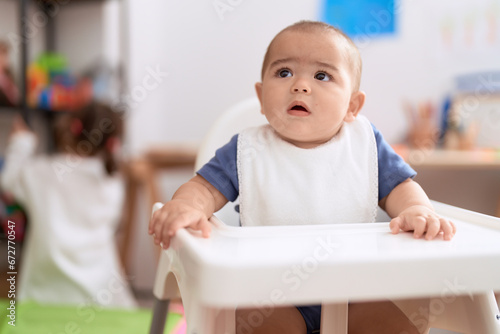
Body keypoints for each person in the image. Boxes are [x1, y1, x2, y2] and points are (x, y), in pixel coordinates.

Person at [149, 20, 456, 333]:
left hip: (357, 290)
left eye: (322, 75)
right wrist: (187, 206)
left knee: (396, 321)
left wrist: (416, 211)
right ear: (261, 95)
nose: (300, 85)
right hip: (270, 293)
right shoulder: (247, 149)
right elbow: (203, 188)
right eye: (284, 73)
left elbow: (401, 188)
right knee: (249, 319)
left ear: (353, 105)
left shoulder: (364, 144)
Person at [1, 103, 136, 308]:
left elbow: (8, 180)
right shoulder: (113, 181)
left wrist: (22, 142)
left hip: (45, 297)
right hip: (102, 298)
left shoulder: (42, 173)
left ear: (72, 128)